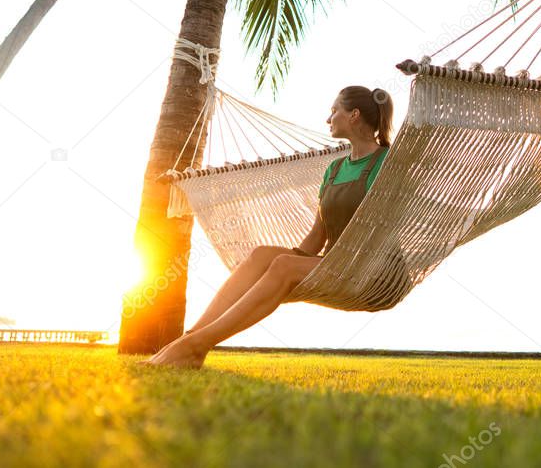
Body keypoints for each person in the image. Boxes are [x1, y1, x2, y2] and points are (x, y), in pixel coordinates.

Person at [142, 85, 393, 368]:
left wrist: (287, 267)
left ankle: (195, 347)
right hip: (336, 264)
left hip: (372, 270)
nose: (328, 118)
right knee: (263, 255)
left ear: (354, 115)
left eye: (334, 111)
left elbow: (383, 231)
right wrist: (281, 263)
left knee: (284, 265)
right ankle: (188, 339)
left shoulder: (388, 163)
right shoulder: (335, 169)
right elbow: (317, 236)